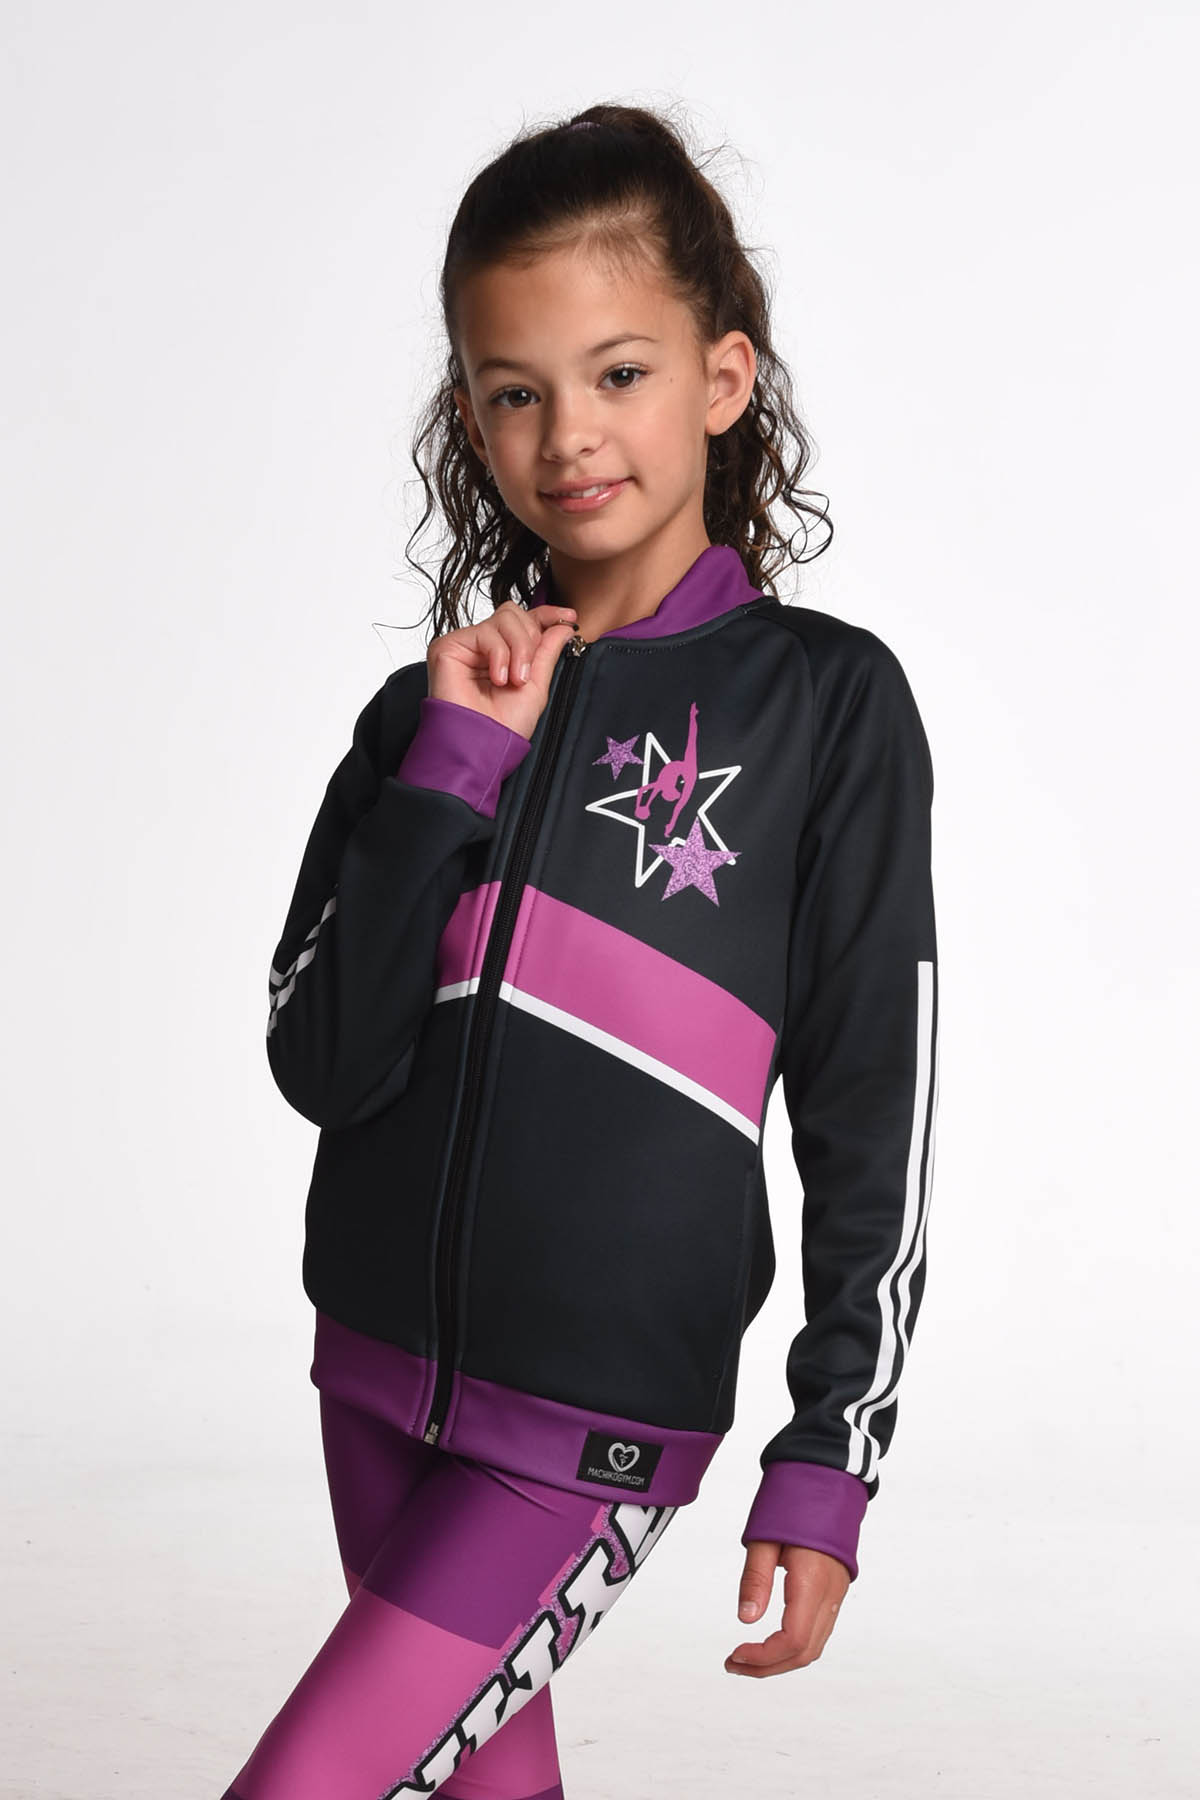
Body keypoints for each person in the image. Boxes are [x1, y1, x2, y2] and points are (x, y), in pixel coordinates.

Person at [222, 100, 939, 1800]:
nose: (569, 435)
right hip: (371, 1372)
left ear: (724, 377)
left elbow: (874, 1111)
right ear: (468, 413)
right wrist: (449, 771)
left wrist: (829, 1451)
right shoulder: (422, 718)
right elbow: (322, 1060)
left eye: (619, 372)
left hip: (585, 1429)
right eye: (514, 391)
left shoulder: (826, 706)